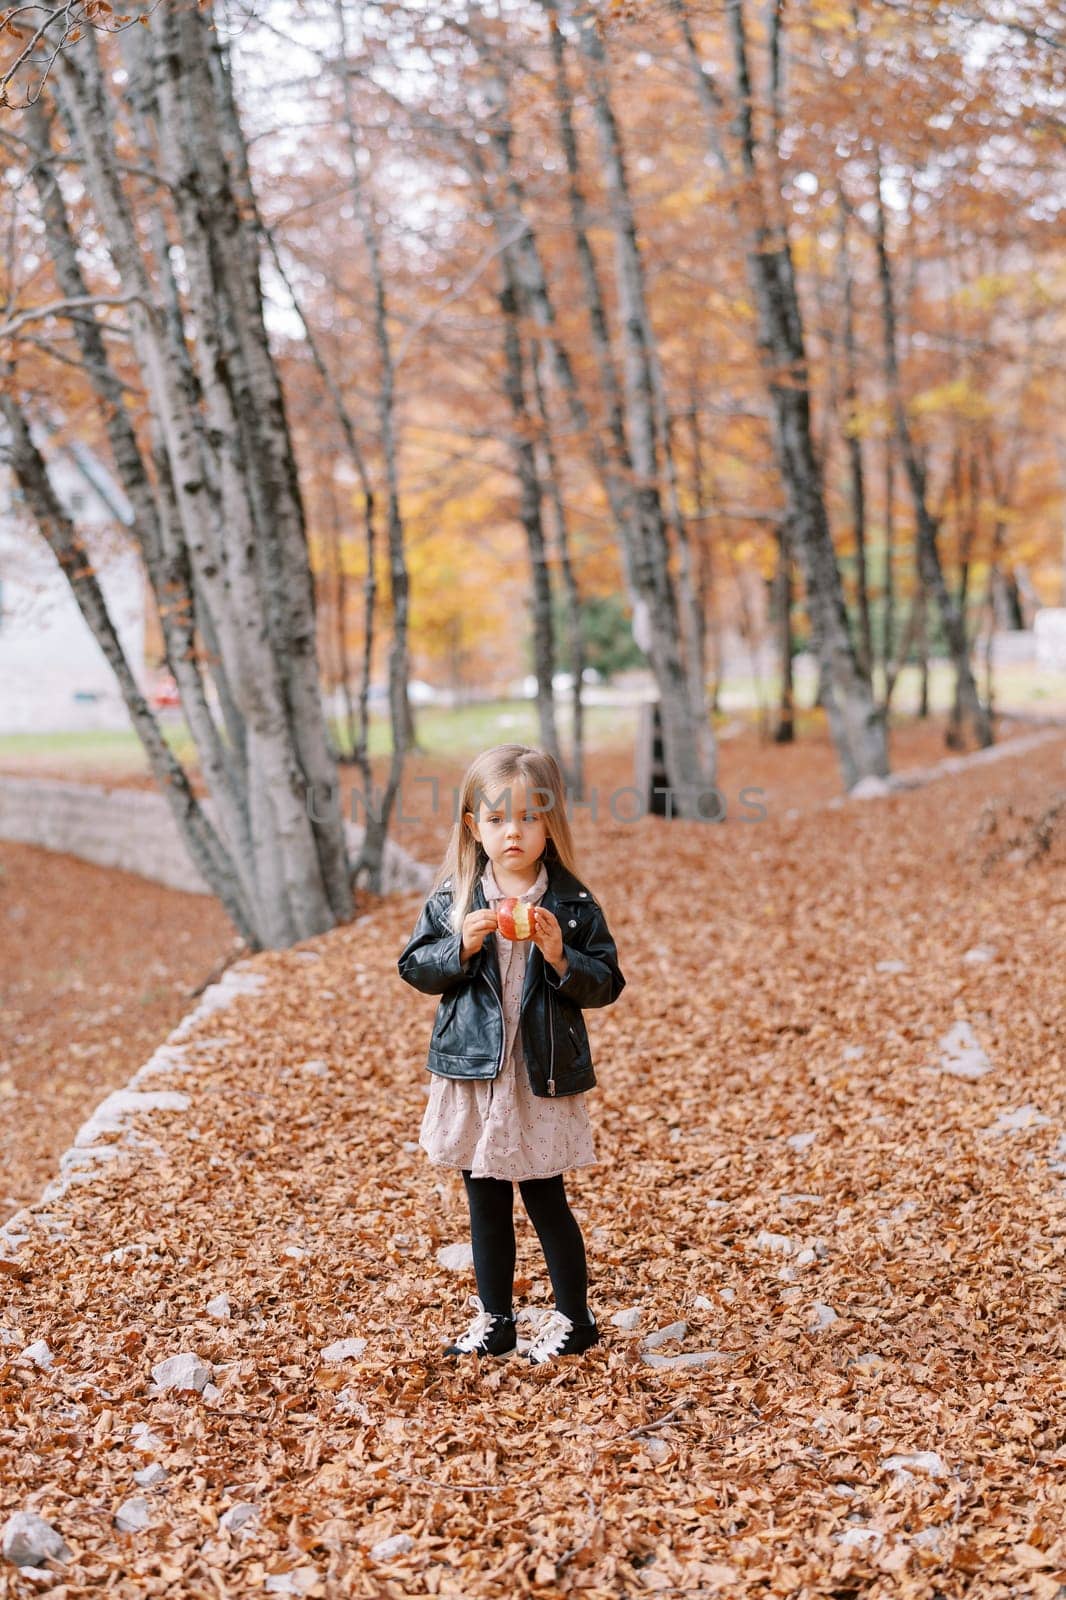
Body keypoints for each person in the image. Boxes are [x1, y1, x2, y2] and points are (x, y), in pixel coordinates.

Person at [397, 743, 626, 1365]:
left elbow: (606, 983)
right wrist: (459, 950)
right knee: (483, 1195)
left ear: (550, 823)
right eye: (497, 820)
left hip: (539, 1072)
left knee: (545, 1193)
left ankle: (575, 1319)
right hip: (477, 1071)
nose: (513, 833)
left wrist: (561, 957)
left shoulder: (572, 905)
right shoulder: (456, 898)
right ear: (474, 826)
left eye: (528, 818)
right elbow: (414, 967)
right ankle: (495, 1318)